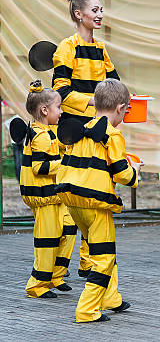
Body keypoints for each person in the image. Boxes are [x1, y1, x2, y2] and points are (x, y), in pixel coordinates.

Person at [56, 78, 140, 322]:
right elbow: (122, 174)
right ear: (120, 108)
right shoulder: (112, 135)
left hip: (73, 200)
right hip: (95, 203)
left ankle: (110, 297)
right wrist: (136, 171)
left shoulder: (82, 129)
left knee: (102, 250)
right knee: (103, 258)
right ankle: (87, 309)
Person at [53, 0, 120, 278]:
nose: (100, 15)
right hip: (73, 129)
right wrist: (96, 102)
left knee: (96, 194)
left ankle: (88, 264)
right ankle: (55, 270)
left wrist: (124, 103)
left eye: (101, 10)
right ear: (79, 14)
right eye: (95, 10)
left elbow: (115, 84)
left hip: (99, 127)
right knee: (75, 198)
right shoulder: (66, 47)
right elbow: (61, 92)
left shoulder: (102, 49)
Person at [21, 80, 76, 299]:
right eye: (59, 107)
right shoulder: (41, 136)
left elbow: (60, 149)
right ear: (45, 110)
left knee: (69, 229)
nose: (61, 112)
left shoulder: (48, 132)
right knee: (47, 240)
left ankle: (56, 275)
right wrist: (66, 163)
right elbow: (39, 167)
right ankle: (37, 285)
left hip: (55, 195)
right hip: (43, 198)